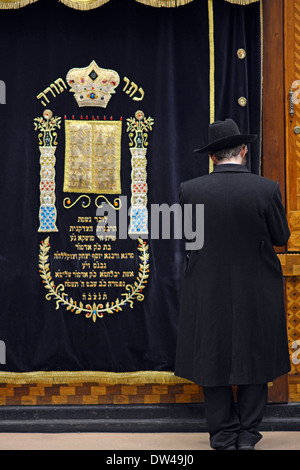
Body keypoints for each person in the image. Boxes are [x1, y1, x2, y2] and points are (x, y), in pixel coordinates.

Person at [174, 118, 291, 451]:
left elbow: (186, 237)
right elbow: (281, 237)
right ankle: (248, 436)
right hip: (258, 288)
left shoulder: (191, 189)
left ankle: (223, 435)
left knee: (211, 356)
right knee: (256, 355)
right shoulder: (266, 188)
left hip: (206, 288)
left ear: (212, 157)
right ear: (243, 150)